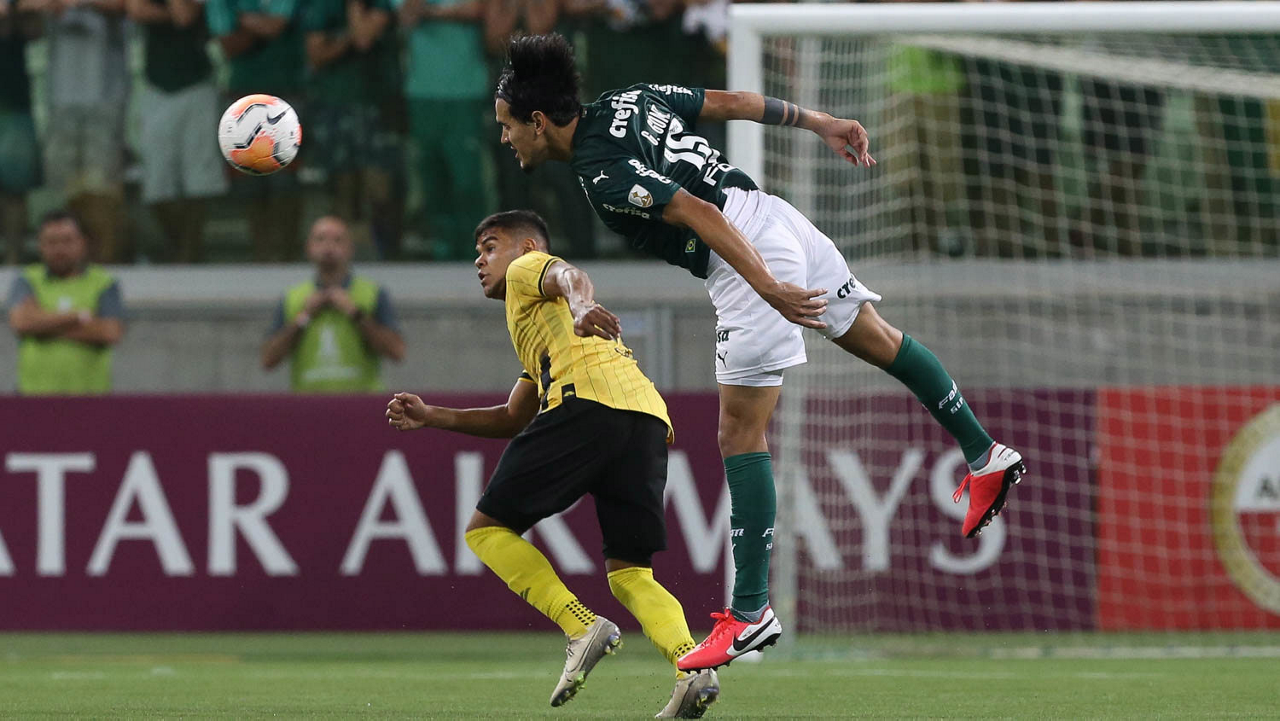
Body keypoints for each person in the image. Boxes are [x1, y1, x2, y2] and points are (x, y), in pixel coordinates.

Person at [491, 34, 1028, 670]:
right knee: (881, 340)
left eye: (507, 125)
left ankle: (750, 612)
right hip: (775, 216)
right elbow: (733, 103)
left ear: (539, 120)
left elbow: (693, 210)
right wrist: (820, 121)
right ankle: (984, 453)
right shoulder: (631, 99)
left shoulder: (599, 169)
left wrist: (766, 287)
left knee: (740, 434)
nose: (505, 138)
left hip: (743, 254)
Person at [385, 210, 719, 717]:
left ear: (525, 248)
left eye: (490, 247)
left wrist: (583, 303)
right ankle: (692, 666)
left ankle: (580, 626)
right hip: (645, 418)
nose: (479, 261)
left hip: (586, 403)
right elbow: (513, 416)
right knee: (631, 574)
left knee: (485, 531)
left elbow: (569, 275)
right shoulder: (542, 324)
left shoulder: (530, 269)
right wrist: (433, 416)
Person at [126, 0, 230, 263]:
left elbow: (184, 15)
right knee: (156, 182)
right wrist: (166, 14)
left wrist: (161, 13)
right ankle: (177, 247)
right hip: (157, 85)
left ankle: (191, 252)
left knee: (200, 179)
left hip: (196, 83)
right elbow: (135, 9)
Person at [300, 0, 403, 258]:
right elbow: (316, 54)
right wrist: (347, 38)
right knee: (342, 185)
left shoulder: (381, 4)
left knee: (380, 188)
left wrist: (341, 34)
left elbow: (363, 39)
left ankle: (386, 253)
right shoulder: (321, 7)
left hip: (377, 105)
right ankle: (342, 251)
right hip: (333, 104)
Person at [206, 0, 305, 261]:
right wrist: (264, 23)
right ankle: (262, 256)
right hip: (242, 94)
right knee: (249, 183)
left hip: (287, 92)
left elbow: (276, 26)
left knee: (286, 182)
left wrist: (242, 20)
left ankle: (288, 256)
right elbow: (228, 45)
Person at [32, 0, 130, 262]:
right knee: (66, 189)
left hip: (104, 96)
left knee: (101, 190)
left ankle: (105, 263)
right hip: (61, 97)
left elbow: (127, 6)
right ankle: (70, 263)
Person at [396, 0, 495, 260]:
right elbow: (407, 15)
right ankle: (443, 248)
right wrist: (444, 12)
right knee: (431, 175)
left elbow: (476, 9)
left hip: (465, 92)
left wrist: (431, 13)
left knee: (467, 179)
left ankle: (478, 249)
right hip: (422, 93)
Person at [261, 216, 405, 391]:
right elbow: (268, 359)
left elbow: (397, 352)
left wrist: (356, 314)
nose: (328, 247)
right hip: (308, 403)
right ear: (308, 247)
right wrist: (304, 317)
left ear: (350, 248)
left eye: (337, 240)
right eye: (320, 239)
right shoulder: (292, 297)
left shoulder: (373, 293)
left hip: (362, 402)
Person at [6, 211, 125, 395]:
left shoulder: (104, 283)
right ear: (40, 245)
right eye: (52, 242)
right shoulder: (27, 280)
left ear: (82, 243)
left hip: (91, 399)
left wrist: (42, 324)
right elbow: (21, 322)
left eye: (67, 241)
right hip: (33, 398)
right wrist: (78, 317)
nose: (60, 249)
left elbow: (110, 332)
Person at [0, 0, 41, 265]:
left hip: (13, 102)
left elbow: (36, 30)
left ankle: (13, 258)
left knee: (14, 187)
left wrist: (12, 11)